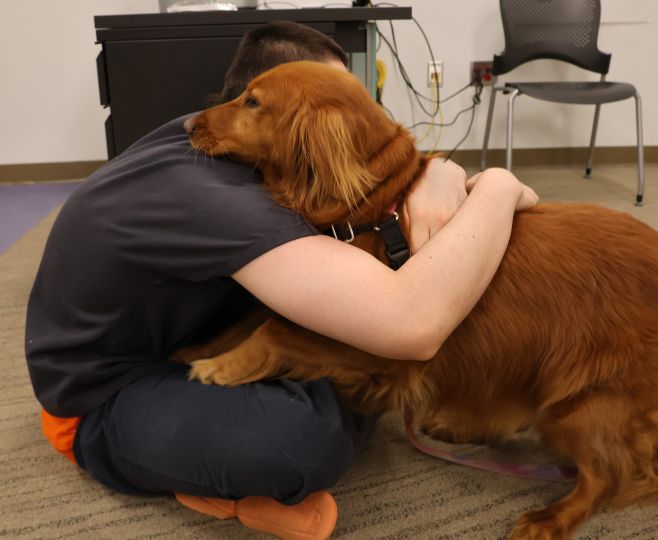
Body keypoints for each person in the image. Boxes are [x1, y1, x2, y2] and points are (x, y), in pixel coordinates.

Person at [25, 21, 538, 540]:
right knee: (304, 437)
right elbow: (416, 323)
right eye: (328, 113)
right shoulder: (223, 201)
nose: (352, 129)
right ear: (268, 96)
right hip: (100, 399)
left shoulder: (250, 152)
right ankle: (193, 468)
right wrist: (498, 184)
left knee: (357, 340)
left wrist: (439, 173)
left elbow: (375, 178)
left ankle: (248, 421)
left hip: (195, 332)